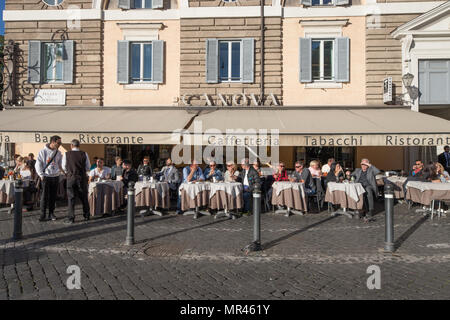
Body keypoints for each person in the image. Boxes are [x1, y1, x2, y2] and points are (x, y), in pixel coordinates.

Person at [62, 139, 91, 224]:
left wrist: (69, 171)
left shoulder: (66, 154)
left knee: (71, 198)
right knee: (84, 197)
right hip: (81, 178)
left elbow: (63, 167)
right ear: (79, 145)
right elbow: (88, 167)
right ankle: (86, 215)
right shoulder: (84, 154)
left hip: (71, 178)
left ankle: (71, 218)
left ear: (71, 145)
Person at [35, 135, 63, 222]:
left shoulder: (58, 153)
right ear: (53, 142)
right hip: (46, 177)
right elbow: (38, 164)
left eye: (60, 143)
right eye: (58, 143)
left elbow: (60, 164)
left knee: (53, 196)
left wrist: (62, 173)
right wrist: (41, 175)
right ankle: (42, 214)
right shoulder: (43, 151)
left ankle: (51, 213)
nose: (60, 144)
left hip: (55, 176)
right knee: (44, 196)